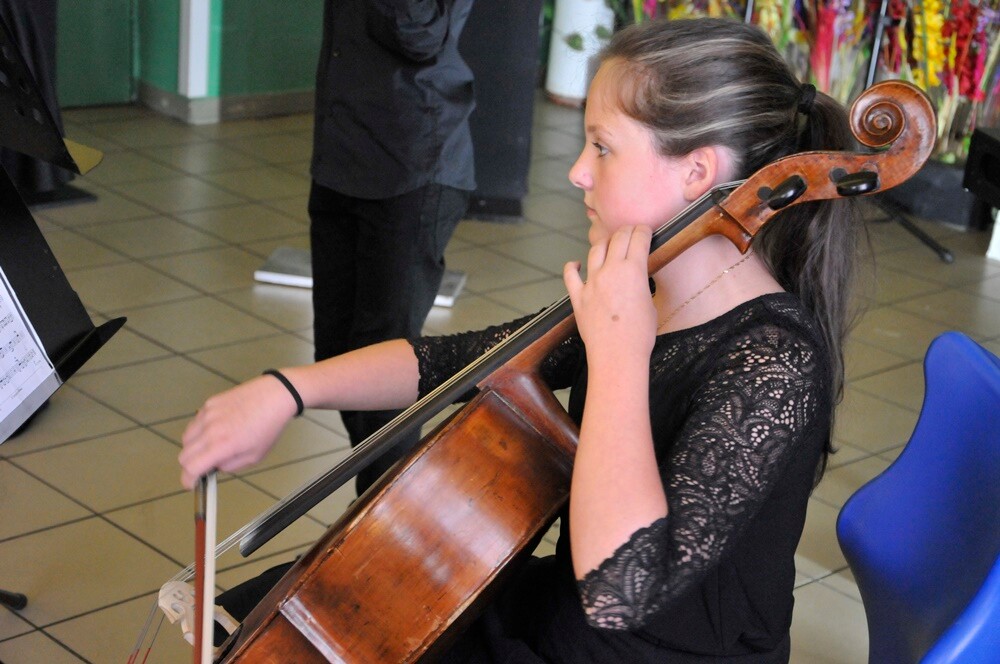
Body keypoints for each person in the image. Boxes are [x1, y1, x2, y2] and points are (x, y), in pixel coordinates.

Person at [180, 17, 863, 662]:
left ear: (696, 173)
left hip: (647, 648)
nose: (577, 172)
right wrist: (288, 389)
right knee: (264, 608)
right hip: (561, 621)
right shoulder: (642, 286)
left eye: (602, 146)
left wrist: (621, 352)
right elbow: (449, 362)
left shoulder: (774, 362)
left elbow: (620, 590)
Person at [309, 0, 476, 493]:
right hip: (341, 154)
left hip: (414, 164)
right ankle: (385, 510)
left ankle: (386, 527)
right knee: (338, 358)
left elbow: (421, 36)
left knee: (385, 367)